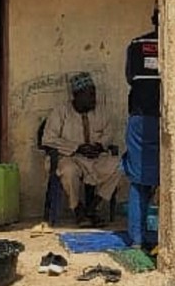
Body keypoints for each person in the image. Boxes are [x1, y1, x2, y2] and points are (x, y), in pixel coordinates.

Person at [41, 72, 120, 226]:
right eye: (89, 95)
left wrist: (99, 146)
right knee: (69, 171)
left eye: (94, 94)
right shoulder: (60, 112)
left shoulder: (102, 112)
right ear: (77, 95)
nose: (93, 99)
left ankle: (93, 207)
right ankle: (78, 209)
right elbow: (48, 139)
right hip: (69, 157)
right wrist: (76, 148)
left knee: (120, 166)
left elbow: (109, 133)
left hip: (94, 158)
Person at [122, 5, 162, 249]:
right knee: (167, 179)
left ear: (153, 19)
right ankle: (162, 236)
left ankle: (137, 238)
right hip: (169, 120)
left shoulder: (137, 44)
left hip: (140, 119)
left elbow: (130, 78)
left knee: (138, 180)